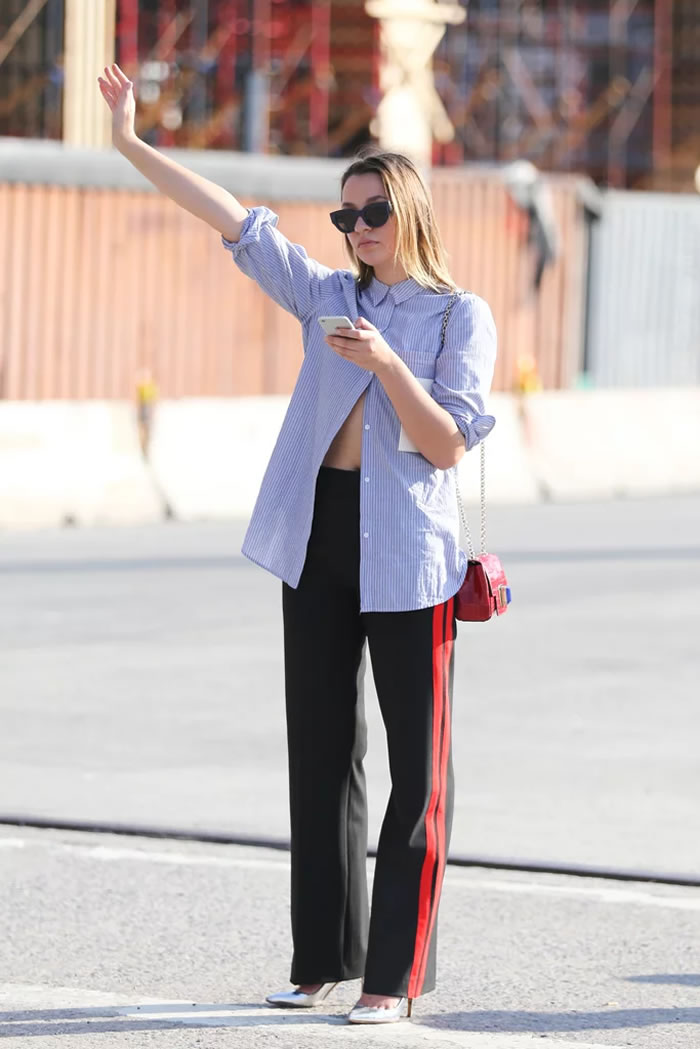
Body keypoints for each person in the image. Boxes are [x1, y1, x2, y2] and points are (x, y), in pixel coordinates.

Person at [98, 63, 497, 1025]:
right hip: (320, 538)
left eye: (371, 214)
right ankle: (320, 957)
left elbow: (448, 442)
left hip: (411, 555)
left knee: (418, 769)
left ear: (409, 216)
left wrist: (389, 362)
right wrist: (130, 143)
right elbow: (237, 222)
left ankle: (393, 979)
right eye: (345, 217)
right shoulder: (327, 295)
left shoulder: (457, 315)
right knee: (320, 755)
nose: (355, 231)